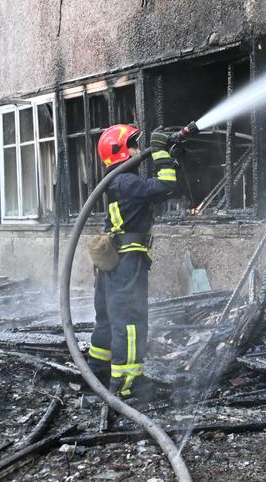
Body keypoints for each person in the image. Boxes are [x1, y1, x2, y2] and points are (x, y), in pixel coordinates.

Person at [87, 124, 178, 400]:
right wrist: (161, 154)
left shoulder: (116, 181)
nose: (139, 149)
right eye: (135, 144)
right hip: (128, 263)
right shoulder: (127, 182)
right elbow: (166, 186)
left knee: (106, 319)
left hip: (114, 264)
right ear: (123, 151)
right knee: (130, 321)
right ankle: (126, 386)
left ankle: (99, 372)